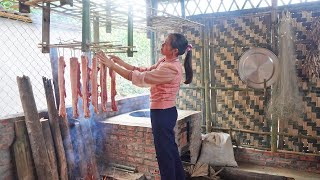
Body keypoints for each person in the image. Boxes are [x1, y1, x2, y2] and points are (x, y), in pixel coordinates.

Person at [97, 33, 193, 180]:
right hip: (164, 112)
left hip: (162, 114)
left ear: (174, 51)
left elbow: (141, 78)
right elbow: (144, 71)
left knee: (164, 155)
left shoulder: (171, 69)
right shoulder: (164, 61)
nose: (162, 44)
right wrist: (121, 63)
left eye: (166, 43)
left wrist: (112, 66)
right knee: (170, 151)